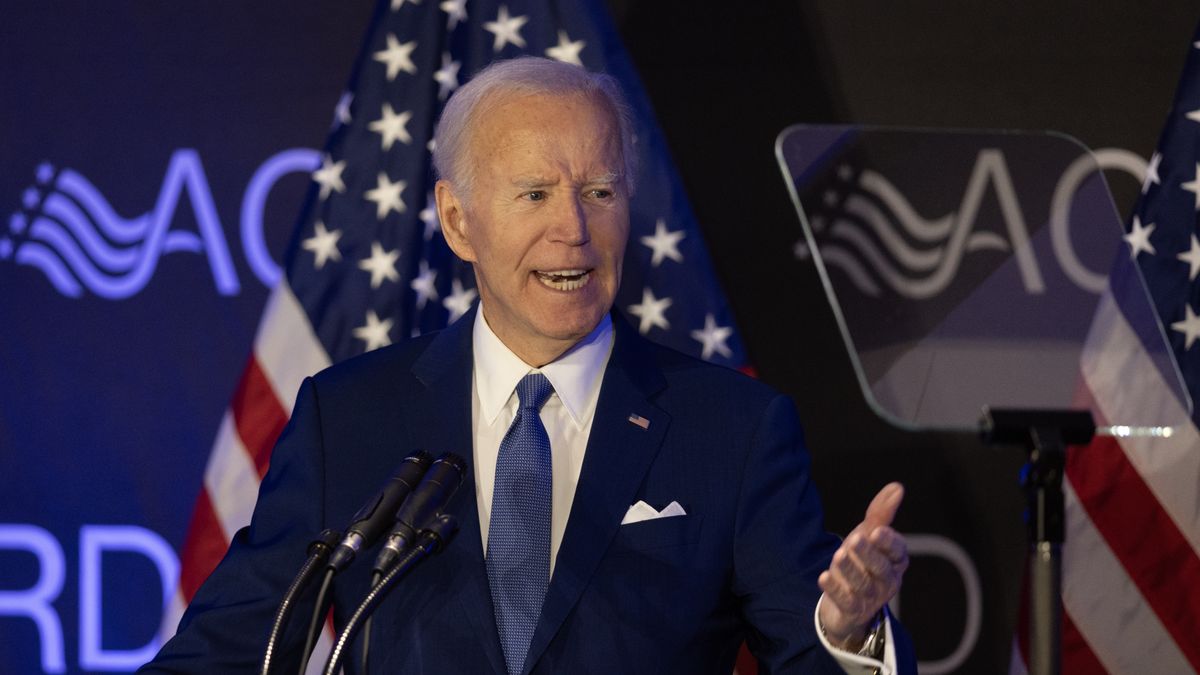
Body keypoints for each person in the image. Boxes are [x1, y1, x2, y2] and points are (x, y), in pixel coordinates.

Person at [141, 57, 915, 674]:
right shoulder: (347, 418)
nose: (572, 227)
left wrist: (851, 634)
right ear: (457, 220)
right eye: (536, 193)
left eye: (599, 191)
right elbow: (223, 653)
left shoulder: (733, 428)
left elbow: (809, 652)